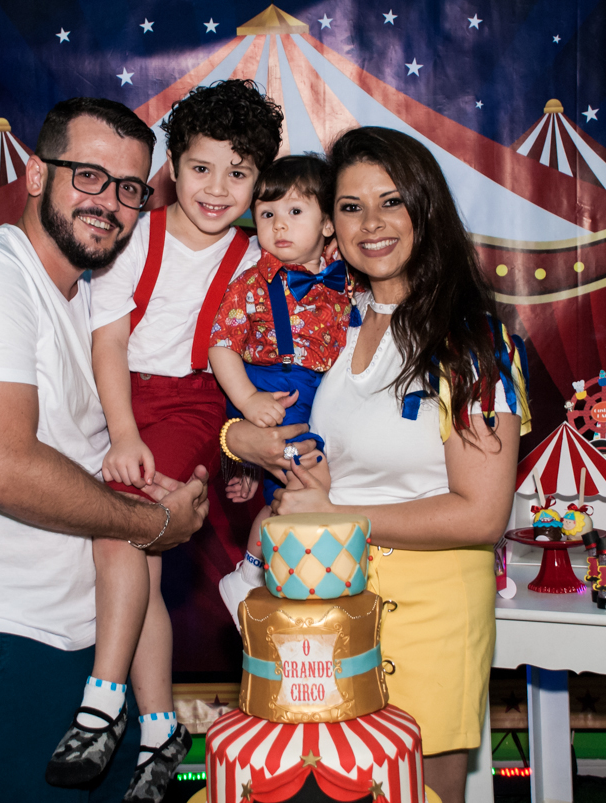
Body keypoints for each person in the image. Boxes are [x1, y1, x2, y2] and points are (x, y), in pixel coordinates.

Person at [0, 97, 211, 803]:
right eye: (90, 176)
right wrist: (153, 524)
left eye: (131, 189)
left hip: (96, 643)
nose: (110, 203)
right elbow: (3, 469)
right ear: (38, 174)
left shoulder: (88, 301)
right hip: (11, 637)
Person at [223, 126, 530, 802]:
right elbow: (282, 426)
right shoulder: (333, 321)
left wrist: (337, 514)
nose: (372, 223)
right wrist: (237, 439)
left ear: (427, 210)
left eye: (392, 202)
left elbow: (481, 513)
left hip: (429, 618)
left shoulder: (473, 343)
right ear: (330, 223)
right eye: (351, 206)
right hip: (320, 611)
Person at [64, 79, 282, 800]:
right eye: (201, 167)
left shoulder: (254, 259)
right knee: (142, 561)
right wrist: (121, 430)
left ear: (258, 182)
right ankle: (160, 727)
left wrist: (241, 445)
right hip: (121, 395)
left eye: (239, 172)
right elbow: (108, 339)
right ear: (172, 168)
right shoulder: (135, 236)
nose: (218, 188)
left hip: (190, 400)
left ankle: (102, 703)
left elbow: (258, 355)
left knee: (116, 529)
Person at [207, 154, 352, 626]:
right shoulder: (250, 284)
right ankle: (250, 575)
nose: (278, 225)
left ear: (328, 225)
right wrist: (248, 403)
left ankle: (277, 575)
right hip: (272, 388)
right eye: (267, 214)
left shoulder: (347, 281)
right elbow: (222, 346)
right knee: (302, 486)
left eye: (294, 212)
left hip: (320, 393)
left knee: (295, 488)